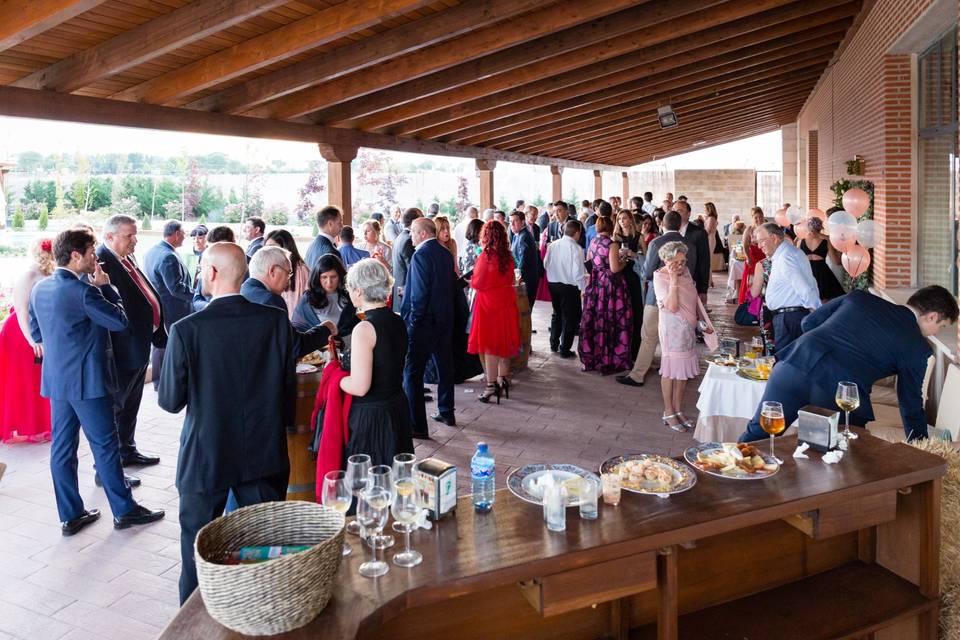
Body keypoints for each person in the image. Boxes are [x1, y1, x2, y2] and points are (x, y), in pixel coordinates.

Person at [158, 242, 296, 605]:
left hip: (207, 453)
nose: (201, 274)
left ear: (213, 272)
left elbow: (170, 401)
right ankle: (263, 615)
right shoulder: (275, 321)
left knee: (196, 552)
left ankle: (190, 625)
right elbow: (286, 389)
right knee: (265, 548)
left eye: (203, 268)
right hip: (263, 451)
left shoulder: (187, 330)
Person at [29, 228, 165, 537]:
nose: (95, 259)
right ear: (75, 255)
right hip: (88, 382)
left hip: (57, 380)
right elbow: (119, 321)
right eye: (92, 253)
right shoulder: (84, 291)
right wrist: (107, 287)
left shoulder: (41, 289)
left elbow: (38, 334)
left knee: (62, 449)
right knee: (105, 446)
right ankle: (125, 510)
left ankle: (71, 515)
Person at [740, 286, 959, 443]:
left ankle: (728, 487)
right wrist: (921, 447)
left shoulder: (860, 298)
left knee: (758, 437)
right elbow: (910, 404)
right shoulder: (917, 348)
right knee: (842, 456)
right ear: (932, 316)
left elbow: (809, 322)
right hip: (839, 394)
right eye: (942, 326)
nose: (937, 333)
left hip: (794, 364)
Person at [96, 215, 166, 472]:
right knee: (116, 408)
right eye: (129, 236)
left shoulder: (125, 258)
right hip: (122, 349)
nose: (135, 240)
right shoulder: (102, 262)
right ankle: (108, 466)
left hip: (139, 345)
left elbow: (143, 295)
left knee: (131, 404)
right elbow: (108, 307)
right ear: (110, 236)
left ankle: (127, 450)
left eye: (135, 235)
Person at [339, 259, 414, 466]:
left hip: (372, 417)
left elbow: (360, 387)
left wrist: (334, 377)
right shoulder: (397, 320)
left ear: (360, 291)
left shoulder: (364, 329)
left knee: (369, 486)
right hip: (396, 407)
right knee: (396, 479)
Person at [617, 211, 691, 387]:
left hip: (657, 296)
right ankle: (677, 373)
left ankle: (638, 375)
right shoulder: (689, 243)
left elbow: (648, 272)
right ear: (680, 225)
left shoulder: (657, 242)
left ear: (662, 225)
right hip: (684, 297)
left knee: (649, 335)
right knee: (677, 336)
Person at [402, 218, 457, 434]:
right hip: (444, 320)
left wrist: (413, 324)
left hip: (424, 323)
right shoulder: (444, 252)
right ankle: (446, 411)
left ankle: (417, 425)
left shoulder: (421, 255)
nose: (411, 237)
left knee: (412, 372)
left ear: (423, 234)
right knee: (444, 368)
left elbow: (419, 295)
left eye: (414, 232)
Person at [0, 237, 54, 443]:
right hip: (21, 333)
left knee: (38, 379)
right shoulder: (28, 274)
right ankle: (26, 426)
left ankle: (41, 424)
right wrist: (31, 340)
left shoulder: (52, 272)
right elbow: (21, 309)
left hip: (42, 330)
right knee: (24, 380)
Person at [653, 241, 710, 432]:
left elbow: (693, 299)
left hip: (688, 329)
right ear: (666, 260)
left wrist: (702, 321)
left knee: (682, 371)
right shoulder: (660, 277)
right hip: (672, 329)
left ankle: (677, 409)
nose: (681, 266)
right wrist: (673, 279)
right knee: (671, 370)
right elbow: (672, 306)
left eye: (683, 261)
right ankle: (668, 411)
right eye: (676, 262)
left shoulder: (686, 273)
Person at [241, 246, 336, 357]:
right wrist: (325, 330)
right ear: (272, 271)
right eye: (288, 273)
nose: (289, 281)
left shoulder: (243, 290)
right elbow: (295, 346)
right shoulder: (271, 300)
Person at [467, 221, 521, 402]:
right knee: (504, 343)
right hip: (506, 301)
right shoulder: (507, 255)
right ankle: (502, 380)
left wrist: (471, 282)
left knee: (490, 347)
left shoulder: (486, 256)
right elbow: (512, 278)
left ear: (486, 235)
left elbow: (478, 282)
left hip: (489, 304)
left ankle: (491, 386)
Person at [143, 220, 194, 390]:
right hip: (172, 308)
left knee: (161, 345)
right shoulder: (168, 256)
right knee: (167, 346)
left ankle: (160, 383)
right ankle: (164, 384)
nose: (185, 237)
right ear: (177, 234)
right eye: (184, 233)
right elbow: (176, 288)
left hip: (160, 306)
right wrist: (198, 294)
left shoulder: (153, 251)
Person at [755, 222, 820, 352]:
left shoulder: (786, 257)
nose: (759, 246)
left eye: (761, 241)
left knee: (785, 361)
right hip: (789, 317)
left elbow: (804, 287)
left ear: (774, 238)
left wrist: (818, 314)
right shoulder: (786, 254)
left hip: (789, 319)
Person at [579, 215, 632, 374]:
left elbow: (589, 261)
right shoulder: (612, 244)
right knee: (612, 319)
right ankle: (609, 359)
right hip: (610, 286)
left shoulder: (593, 242)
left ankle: (593, 357)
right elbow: (615, 268)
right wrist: (625, 260)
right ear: (610, 227)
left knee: (596, 319)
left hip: (596, 284)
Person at [292, 254, 358, 346]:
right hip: (317, 355)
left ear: (341, 276)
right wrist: (321, 341)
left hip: (348, 350)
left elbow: (356, 327)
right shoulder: (308, 298)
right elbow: (297, 329)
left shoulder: (349, 296)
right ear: (317, 277)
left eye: (333, 277)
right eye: (324, 277)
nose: (329, 282)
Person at [544, 219, 587, 358]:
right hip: (569, 286)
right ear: (577, 233)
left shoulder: (553, 245)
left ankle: (553, 343)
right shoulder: (576, 248)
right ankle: (564, 349)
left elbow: (545, 264)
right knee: (570, 317)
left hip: (553, 284)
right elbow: (578, 272)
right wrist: (583, 288)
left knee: (557, 313)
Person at [613, 209, 644, 361]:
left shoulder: (638, 237)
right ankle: (619, 348)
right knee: (620, 313)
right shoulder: (615, 238)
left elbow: (646, 259)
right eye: (619, 219)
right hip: (619, 276)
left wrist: (633, 254)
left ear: (630, 220)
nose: (622, 221)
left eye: (625, 218)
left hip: (633, 277)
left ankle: (634, 350)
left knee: (636, 312)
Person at [264, 229, 309, 320]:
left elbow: (300, 301)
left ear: (285, 248)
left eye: (273, 248)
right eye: (266, 248)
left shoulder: (301, 269)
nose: (268, 252)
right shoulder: (269, 268)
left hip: (294, 322)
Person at [798, 218, 845, 301]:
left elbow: (797, 260)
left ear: (808, 227)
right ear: (821, 228)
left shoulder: (800, 241)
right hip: (822, 272)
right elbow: (836, 261)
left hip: (806, 271)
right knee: (824, 300)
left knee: (806, 299)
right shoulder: (826, 241)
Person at [192, 225, 236, 312]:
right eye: (212, 248)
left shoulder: (248, 264)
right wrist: (210, 306)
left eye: (220, 248)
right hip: (208, 316)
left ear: (233, 243)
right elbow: (197, 298)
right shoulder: (207, 261)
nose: (215, 252)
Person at [674, 200, 710, 304]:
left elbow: (704, 261)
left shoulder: (699, 233)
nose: (676, 214)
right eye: (674, 211)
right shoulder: (668, 231)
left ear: (688, 214)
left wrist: (703, 289)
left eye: (679, 211)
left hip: (692, 282)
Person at [391, 208, 422, 311]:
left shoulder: (399, 238)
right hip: (406, 293)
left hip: (399, 291)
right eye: (421, 218)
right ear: (414, 222)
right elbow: (413, 269)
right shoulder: (409, 240)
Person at [510, 211, 539, 312]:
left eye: (515, 221)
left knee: (524, 310)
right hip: (522, 277)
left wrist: (517, 278)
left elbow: (524, 259)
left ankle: (525, 328)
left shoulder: (525, 236)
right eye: (510, 221)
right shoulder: (516, 235)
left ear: (522, 222)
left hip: (527, 278)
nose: (512, 224)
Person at [305, 205, 344, 270]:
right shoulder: (331, 252)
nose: (342, 226)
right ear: (330, 224)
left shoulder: (311, 245)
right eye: (339, 222)